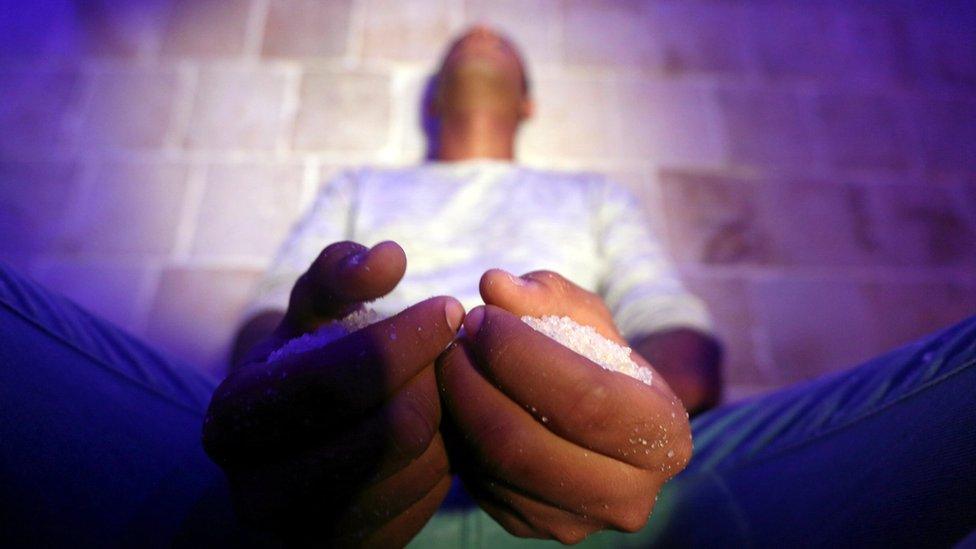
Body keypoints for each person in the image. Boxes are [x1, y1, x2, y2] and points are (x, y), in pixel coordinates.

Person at [0, 26, 973, 549]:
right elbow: (265, 316)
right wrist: (297, 371)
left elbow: (680, 339)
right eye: (461, 46)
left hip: (636, 503)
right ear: (430, 99)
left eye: (498, 48)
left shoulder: (585, 193)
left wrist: (621, 392)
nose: (476, 39)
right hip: (298, 498)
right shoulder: (358, 185)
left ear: (527, 101)